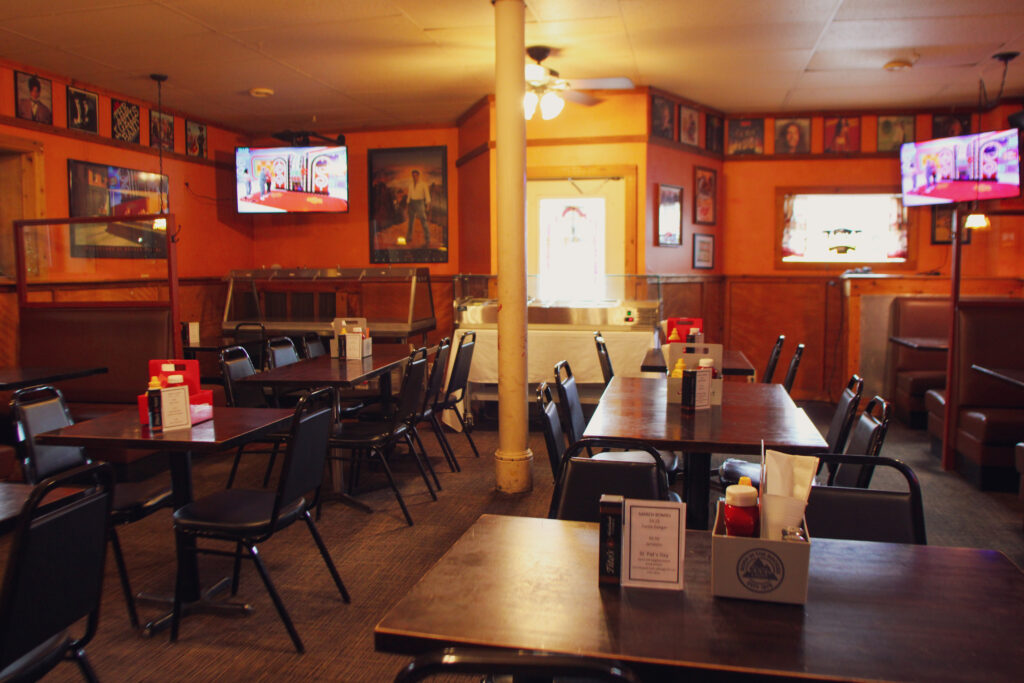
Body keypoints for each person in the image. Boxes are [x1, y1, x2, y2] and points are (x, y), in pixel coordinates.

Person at [405, 169, 431, 247]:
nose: (414, 177)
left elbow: (427, 194)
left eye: (416, 175)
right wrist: (408, 204)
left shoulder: (423, 184)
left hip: (420, 203)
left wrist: (428, 205)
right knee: (411, 222)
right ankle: (409, 237)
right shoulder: (410, 184)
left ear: (418, 176)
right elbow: (409, 195)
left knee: (423, 220)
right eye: (413, 175)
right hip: (412, 203)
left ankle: (427, 239)